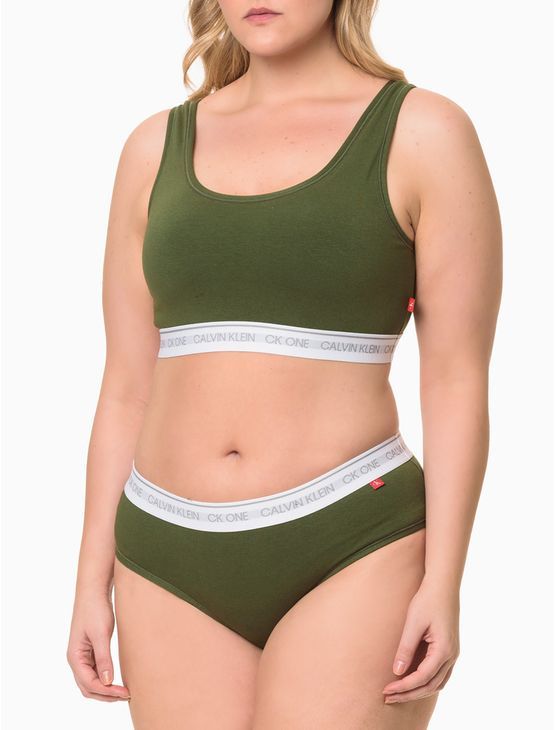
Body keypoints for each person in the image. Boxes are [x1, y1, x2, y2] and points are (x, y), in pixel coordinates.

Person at [66, 1, 502, 728]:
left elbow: (455, 379)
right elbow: (125, 385)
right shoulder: (153, 146)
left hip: (349, 539)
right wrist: (90, 578)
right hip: (164, 548)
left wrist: (444, 579)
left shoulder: (422, 132)